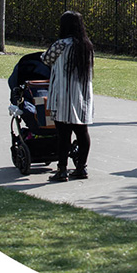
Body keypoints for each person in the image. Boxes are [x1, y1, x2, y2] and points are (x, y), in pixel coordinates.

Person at [42, 11, 94, 182]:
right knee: (82, 131)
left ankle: (62, 169)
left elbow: (46, 59)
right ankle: (81, 167)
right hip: (82, 95)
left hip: (62, 95)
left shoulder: (60, 45)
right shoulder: (87, 46)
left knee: (63, 134)